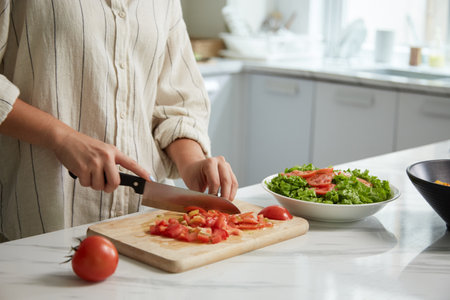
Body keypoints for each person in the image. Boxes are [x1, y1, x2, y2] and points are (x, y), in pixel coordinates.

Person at [0, 0, 238, 242]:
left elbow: (177, 100)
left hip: (148, 227)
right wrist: (62, 138)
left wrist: (192, 162)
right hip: (42, 223)